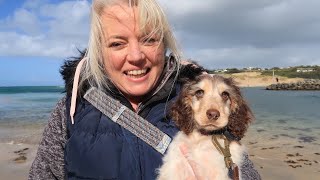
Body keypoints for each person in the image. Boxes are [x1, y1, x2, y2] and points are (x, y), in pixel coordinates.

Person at [29, 0, 261, 179]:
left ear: (164, 44)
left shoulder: (199, 105)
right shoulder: (70, 111)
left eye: (149, 39)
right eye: (118, 43)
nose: (136, 57)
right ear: (100, 51)